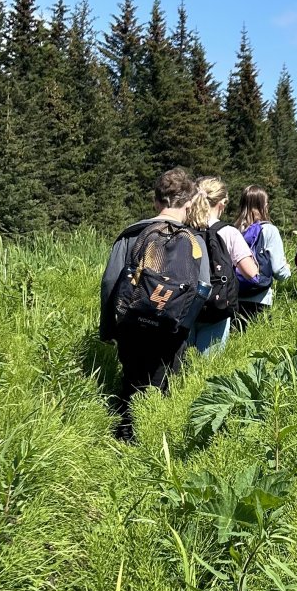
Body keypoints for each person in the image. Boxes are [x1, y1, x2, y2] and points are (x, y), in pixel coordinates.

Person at [100, 168, 211, 441]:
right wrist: (183, 327)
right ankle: (157, 445)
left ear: (155, 201)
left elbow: (110, 283)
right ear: (188, 204)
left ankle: (125, 439)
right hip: (172, 330)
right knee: (164, 385)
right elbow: (203, 289)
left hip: (133, 324)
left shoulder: (132, 235)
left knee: (131, 382)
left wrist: (108, 328)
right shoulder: (195, 241)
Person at [192, 176, 261, 354]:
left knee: (182, 365)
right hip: (216, 306)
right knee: (207, 367)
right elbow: (251, 273)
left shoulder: (185, 229)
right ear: (222, 203)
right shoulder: (228, 232)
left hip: (185, 304)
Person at [233, 185, 291, 329]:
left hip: (236, 298)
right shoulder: (269, 230)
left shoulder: (233, 231)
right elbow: (279, 271)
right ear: (264, 205)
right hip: (260, 298)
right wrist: (287, 271)